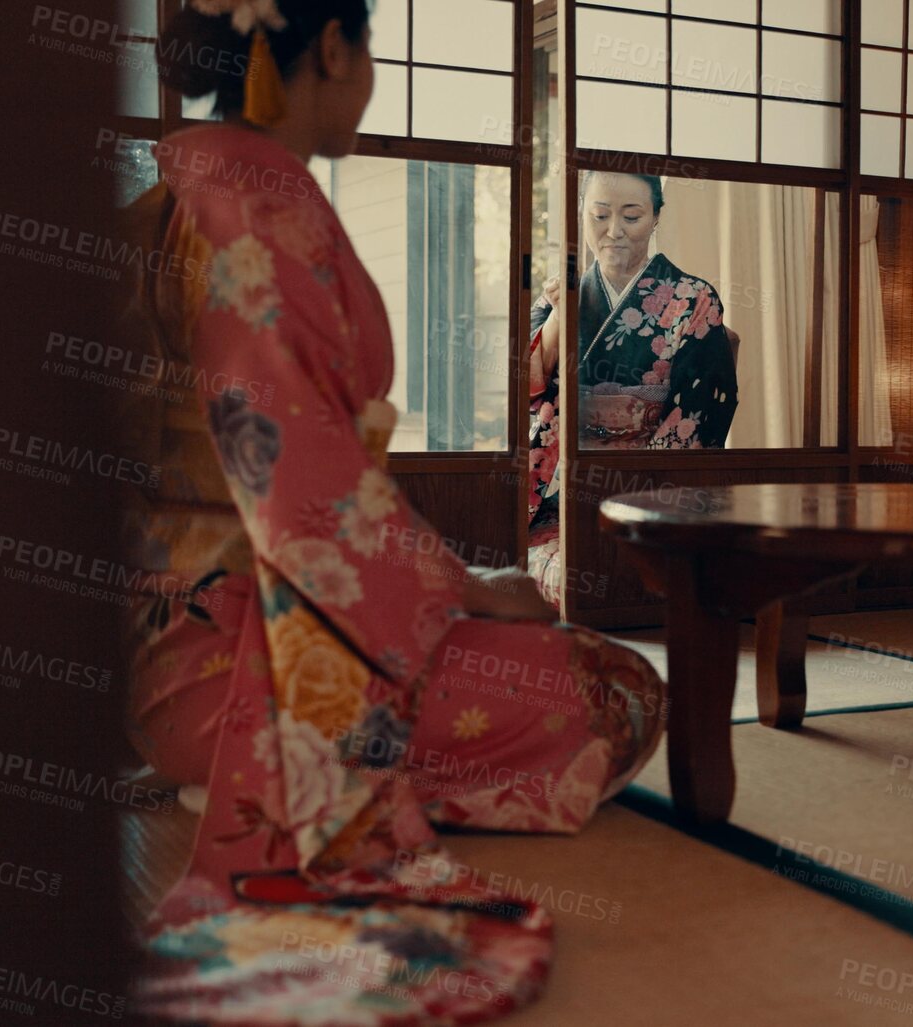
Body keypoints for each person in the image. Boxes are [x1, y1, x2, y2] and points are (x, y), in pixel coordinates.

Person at [117, 2, 665, 1022]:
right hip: (244, 665)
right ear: (329, 47)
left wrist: (440, 586)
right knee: (614, 690)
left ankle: (227, 761)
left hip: (157, 641)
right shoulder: (254, 218)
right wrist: (466, 588)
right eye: (364, 50)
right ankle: (271, 781)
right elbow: (305, 493)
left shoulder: (184, 194)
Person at [524, 172, 740, 601]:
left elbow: (701, 408)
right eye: (600, 215)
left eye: (632, 216)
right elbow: (527, 388)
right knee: (558, 570)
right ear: (583, 217)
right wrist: (559, 314)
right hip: (564, 494)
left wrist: (636, 493)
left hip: (653, 494)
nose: (614, 230)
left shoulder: (693, 298)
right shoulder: (558, 295)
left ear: (656, 217)